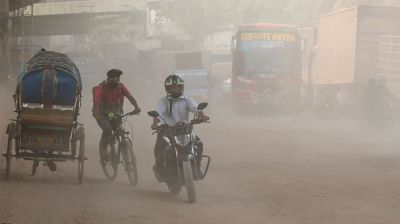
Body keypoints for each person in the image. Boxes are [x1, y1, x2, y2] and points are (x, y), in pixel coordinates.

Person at [151, 74, 209, 181]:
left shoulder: (187, 99)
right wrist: (155, 124)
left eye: (177, 86)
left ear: (181, 87)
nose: (175, 89)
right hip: (167, 129)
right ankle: (160, 170)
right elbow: (157, 114)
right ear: (167, 88)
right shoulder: (163, 101)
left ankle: (197, 167)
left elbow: (196, 109)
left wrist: (202, 116)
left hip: (185, 128)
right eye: (172, 87)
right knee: (158, 147)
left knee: (199, 144)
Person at [93, 69, 141, 160]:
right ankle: (103, 150)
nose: (115, 81)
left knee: (119, 130)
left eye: (116, 79)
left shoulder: (121, 87)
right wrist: (98, 115)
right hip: (102, 114)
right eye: (112, 79)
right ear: (108, 79)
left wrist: (136, 107)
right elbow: (96, 104)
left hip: (115, 114)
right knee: (107, 129)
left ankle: (120, 149)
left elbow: (130, 97)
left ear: (118, 79)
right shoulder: (102, 88)